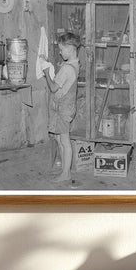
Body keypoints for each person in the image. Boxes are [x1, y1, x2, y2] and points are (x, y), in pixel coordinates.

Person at [40, 32, 80, 182]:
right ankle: (64, 169)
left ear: (70, 48)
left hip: (63, 109)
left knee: (64, 140)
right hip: (67, 107)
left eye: (61, 49)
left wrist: (46, 73)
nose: (60, 51)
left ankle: (66, 174)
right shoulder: (74, 63)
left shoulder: (67, 69)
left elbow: (53, 88)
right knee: (59, 138)